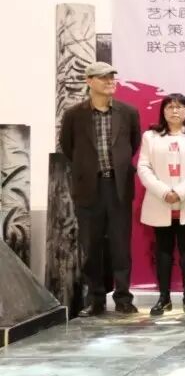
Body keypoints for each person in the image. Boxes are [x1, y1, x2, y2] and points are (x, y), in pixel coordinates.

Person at [58, 61, 141, 316]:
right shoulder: (74, 115)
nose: (109, 82)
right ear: (89, 81)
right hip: (89, 189)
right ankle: (95, 299)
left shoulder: (128, 112)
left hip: (118, 187)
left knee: (120, 246)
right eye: (103, 77)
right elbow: (68, 148)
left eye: (112, 77)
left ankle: (123, 298)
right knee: (91, 246)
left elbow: (134, 144)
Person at [137, 93, 185, 316]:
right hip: (160, 202)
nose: (174, 111)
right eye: (170, 107)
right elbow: (143, 167)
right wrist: (163, 191)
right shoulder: (151, 136)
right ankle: (164, 298)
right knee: (163, 250)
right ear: (163, 111)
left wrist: (179, 192)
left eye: (179, 107)